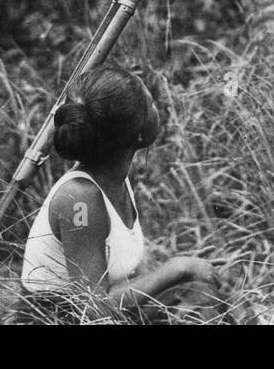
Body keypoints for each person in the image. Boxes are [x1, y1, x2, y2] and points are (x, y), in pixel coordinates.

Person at [19, 65, 230, 322]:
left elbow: (131, 282)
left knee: (203, 290)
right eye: (150, 103)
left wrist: (186, 275)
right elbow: (92, 308)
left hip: (103, 316)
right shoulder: (80, 198)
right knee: (197, 295)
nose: (157, 108)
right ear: (136, 133)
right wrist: (177, 268)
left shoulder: (113, 177)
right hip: (62, 319)